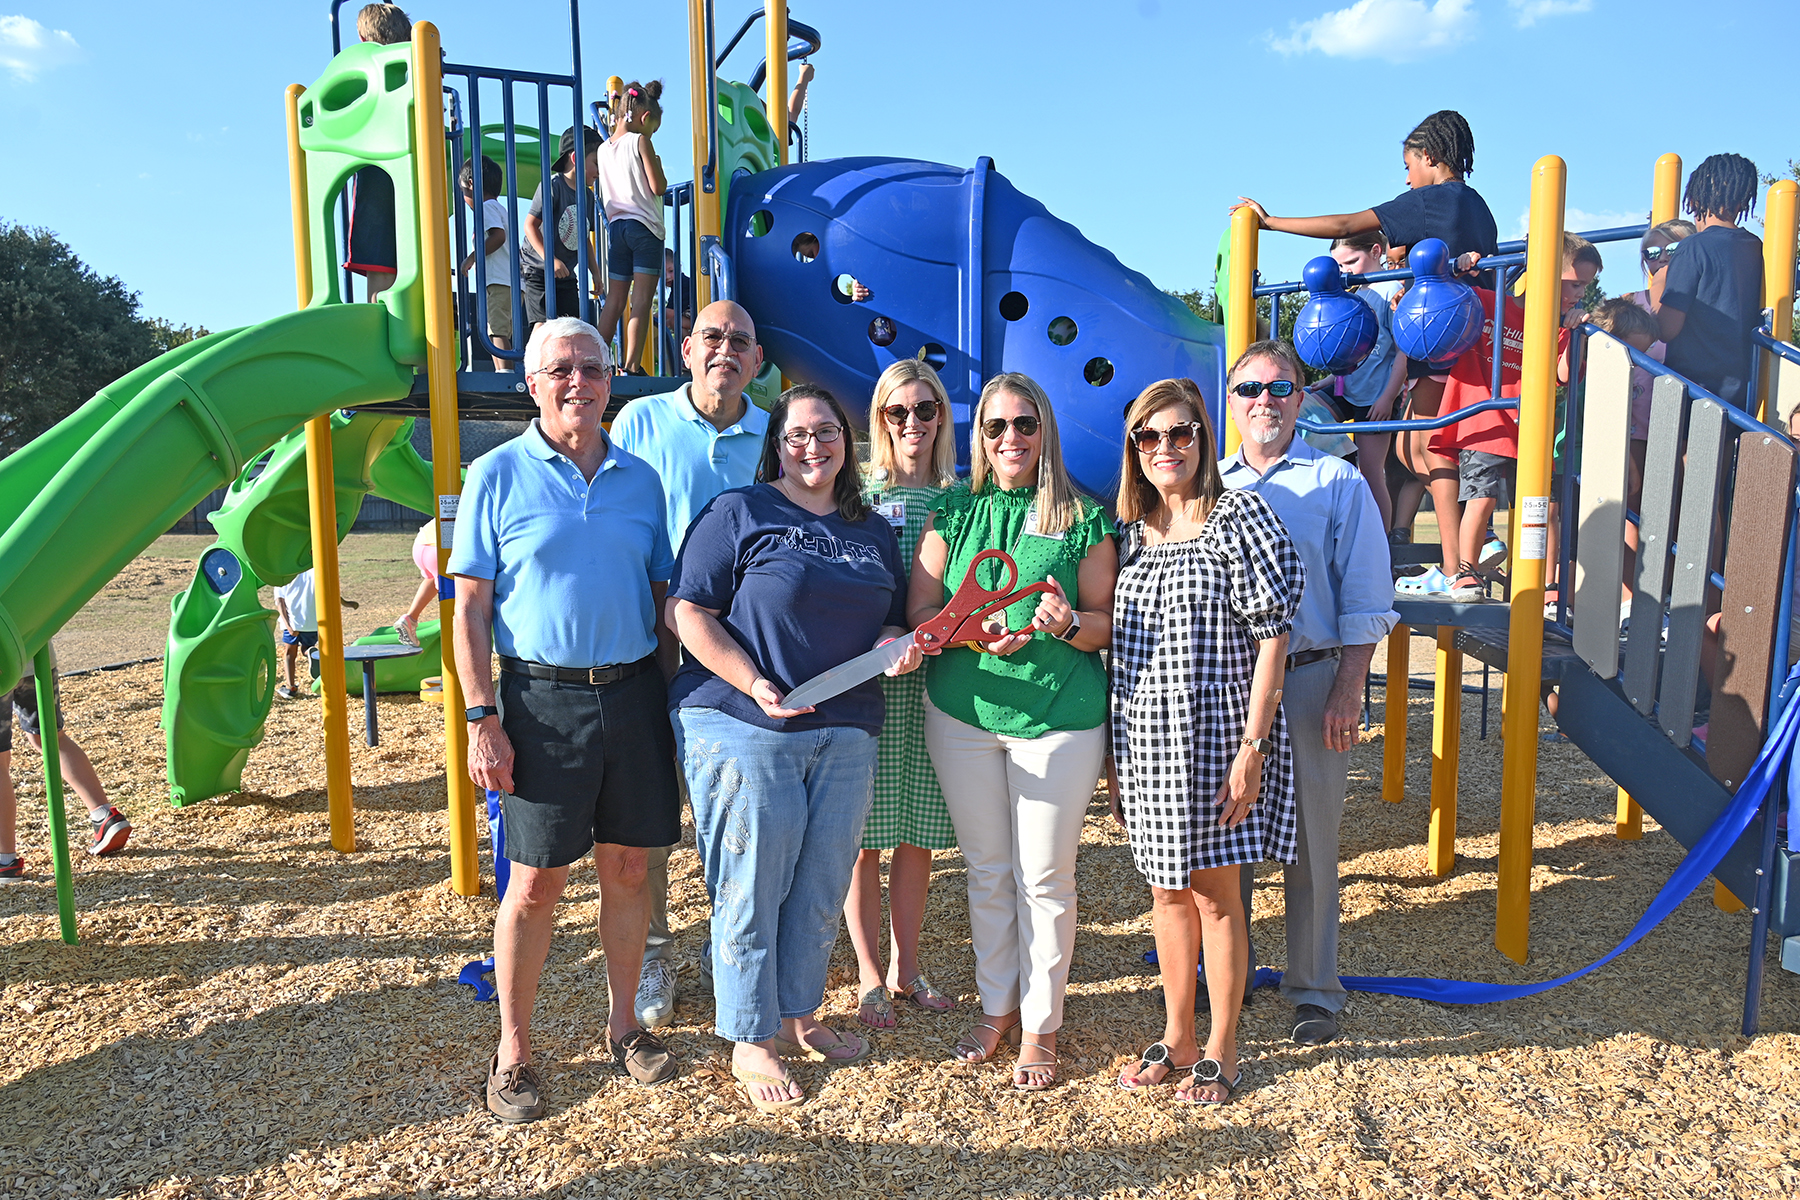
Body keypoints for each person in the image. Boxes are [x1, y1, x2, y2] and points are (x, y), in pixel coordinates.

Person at [449, 316, 684, 1123]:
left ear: (611, 378)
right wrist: (482, 717)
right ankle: (514, 1049)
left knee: (627, 872)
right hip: (538, 703)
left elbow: (662, 602)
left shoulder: (640, 480)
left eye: (591, 367)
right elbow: (470, 611)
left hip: (631, 694)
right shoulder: (496, 474)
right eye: (560, 370)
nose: (577, 382)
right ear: (531, 382)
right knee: (535, 882)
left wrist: (678, 704)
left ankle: (624, 1029)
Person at [665, 383, 920, 1114]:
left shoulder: (869, 528)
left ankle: (799, 1013)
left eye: (827, 432)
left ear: (847, 440)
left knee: (818, 883)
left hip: (844, 726)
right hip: (745, 723)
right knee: (751, 884)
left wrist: (890, 647)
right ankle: (750, 1036)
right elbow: (687, 610)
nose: (813, 446)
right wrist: (752, 681)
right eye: (797, 434)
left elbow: (889, 621)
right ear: (776, 442)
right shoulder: (740, 513)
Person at [909, 372, 1116, 1091]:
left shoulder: (1083, 518)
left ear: (1044, 429)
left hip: (1057, 719)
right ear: (980, 436)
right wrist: (968, 635)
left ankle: (1041, 1026)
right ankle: (997, 1007)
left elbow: (1104, 622)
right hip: (962, 717)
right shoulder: (954, 513)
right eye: (996, 427)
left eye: (1024, 424)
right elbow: (923, 619)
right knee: (989, 873)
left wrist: (1067, 625)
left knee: (1046, 879)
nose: (1010, 439)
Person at [1111, 379, 1303, 1103]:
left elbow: (1272, 637)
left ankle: (1221, 1043)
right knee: (1165, 896)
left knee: (1218, 897)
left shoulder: (1239, 515)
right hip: (1145, 741)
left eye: (1181, 432)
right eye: (1150, 436)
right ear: (1135, 449)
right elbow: (1121, 654)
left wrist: (1253, 749)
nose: (1167, 448)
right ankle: (1178, 1031)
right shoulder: (1132, 532)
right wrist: (1113, 761)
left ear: (1202, 437)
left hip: (1220, 737)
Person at [1218, 340, 1398, 1046]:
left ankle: (1314, 987)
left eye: (1281, 388)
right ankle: (1227, 971)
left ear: (1301, 398)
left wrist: (1349, 687)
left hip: (1312, 676)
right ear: (1228, 401)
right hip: (1224, 684)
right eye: (1249, 388)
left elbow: (1364, 594)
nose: (1265, 400)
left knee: (1312, 845)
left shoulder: (1337, 482)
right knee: (1222, 834)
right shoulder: (1208, 485)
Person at [1237, 111, 1498, 589]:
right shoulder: (1476, 205)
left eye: (1408, 164)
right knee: (1421, 447)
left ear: (1429, 156)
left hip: (1436, 342)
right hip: (1474, 334)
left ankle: (1459, 563)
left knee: (1434, 450)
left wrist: (1269, 222)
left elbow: (1347, 221)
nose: (1406, 177)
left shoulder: (1430, 199)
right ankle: (1472, 545)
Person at [609, 300, 771, 1029]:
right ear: (686, 347)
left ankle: (724, 944)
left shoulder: (772, 435)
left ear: (757, 361)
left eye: (740, 341)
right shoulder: (639, 423)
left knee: (728, 809)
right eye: (712, 336)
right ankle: (654, 952)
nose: (724, 350)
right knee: (649, 817)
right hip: (649, 643)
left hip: (734, 652)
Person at [845, 360, 962, 1031]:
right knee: (862, 837)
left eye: (926, 410)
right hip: (866, 681)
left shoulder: (960, 498)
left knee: (916, 832)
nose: (913, 423)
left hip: (932, 682)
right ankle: (867, 974)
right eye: (898, 412)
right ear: (879, 419)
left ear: (942, 418)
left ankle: (906, 966)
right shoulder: (855, 495)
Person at [0, 643, 132, 882]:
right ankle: (104, 814)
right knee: (50, 738)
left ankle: (4, 860)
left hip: (4, 660)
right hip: (35, 655)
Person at [1653, 153, 1764, 412]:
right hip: (1744, 387)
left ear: (1696, 197)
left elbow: (1667, 328)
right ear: (1743, 199)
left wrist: (1660, 283)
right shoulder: (1755, 247)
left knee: (1684, 452)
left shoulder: (1693, 247)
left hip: (1692, 385)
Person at [1321, 230, 1406, 530]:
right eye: (1339, 266)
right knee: (1306, 406)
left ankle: (1380, 546)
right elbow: (1355, 352)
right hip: (1349, 387)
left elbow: (1402, 353)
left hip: (1376, 396)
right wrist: (1331, 379)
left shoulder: (1391, 290)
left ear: (1375, 251)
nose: (1344, 272)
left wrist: (1388, 397)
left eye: (1350, 262)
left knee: (1371, 472)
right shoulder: (1355, 292)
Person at [595, 81, 668, 376]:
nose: (651, 134)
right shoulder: (640, 142)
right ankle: (631, 366)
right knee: (640, 303)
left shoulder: (602, 149)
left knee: (614, 300)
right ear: (643, 118)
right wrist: (658, 164)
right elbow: (658, 186)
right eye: (653, 128)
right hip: (645, 229)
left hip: (616, 229)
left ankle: (596, 364)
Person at [344, 5, 411, 304]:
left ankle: (379, 322)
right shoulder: (418, 66)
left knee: (380, 262)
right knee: (410, 256)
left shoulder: (363, 71)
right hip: (417, 168)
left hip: (379, 170)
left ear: (362, 37)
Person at [521, 125, 601, 335]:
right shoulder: (553, 186)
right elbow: (530, 225)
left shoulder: (588, 196)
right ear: (576, 159)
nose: (599, 171)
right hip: (539, 268)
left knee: (572, 326)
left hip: (565, 273)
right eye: (596, 163)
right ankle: (534, 366)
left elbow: (584, 239)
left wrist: (596, 273)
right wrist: (551, 260)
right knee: (542, 324)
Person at [459, 155, 516, 372]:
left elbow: (498, 236)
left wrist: (473, 257)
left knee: (497, 331)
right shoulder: (499, 208)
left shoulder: (487, 208)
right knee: (498, 331)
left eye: (464, 192)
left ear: (472, 184)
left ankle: (505, 374)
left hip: (500, 280)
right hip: (508, 280)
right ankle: (503, 372)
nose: (465, 198)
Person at [274, 569, 318, 701]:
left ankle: (290, 687)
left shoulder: (283, 573)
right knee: (307, 648)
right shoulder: (316, 569)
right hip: (312, 620)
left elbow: (280, 601)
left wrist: (288, 625)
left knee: (289, 653)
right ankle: (311, 653)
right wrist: (346, 603)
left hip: (293, 621)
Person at [394, 521, 439, 649]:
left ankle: (410, 619)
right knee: (453, 589)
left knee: (431, 579)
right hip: (437, 550)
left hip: (420, 546)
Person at [660, 249, 695, 373]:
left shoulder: (681, 283)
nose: (668, 277)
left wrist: (649, 318)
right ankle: (689, 356)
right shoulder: (678, 283)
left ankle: (690, 355)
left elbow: (669, 312)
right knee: (677, 325)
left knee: (673, 322)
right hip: (690, 315)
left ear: (679, 267)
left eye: (671, 271)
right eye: (663, 273)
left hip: (696, 313)